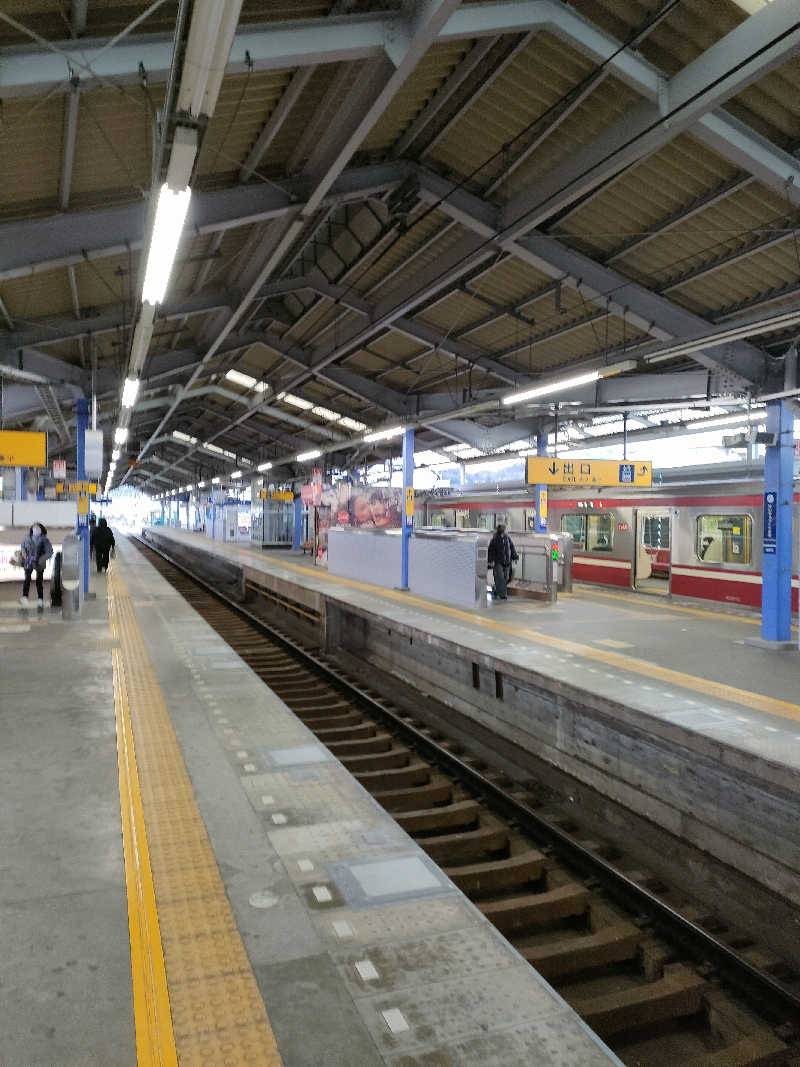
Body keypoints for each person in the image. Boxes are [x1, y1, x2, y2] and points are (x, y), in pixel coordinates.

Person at [19, 522, 53, 608]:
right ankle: (25, 597)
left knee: (39, 581)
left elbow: (49, 552)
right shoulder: (27, 538)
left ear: (41, 529)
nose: (36, 529)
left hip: (39, 562)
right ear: (32, 529)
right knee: (27, 579)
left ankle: (40, 600)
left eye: (38, 528)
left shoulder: (44, 540)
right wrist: (24, 554)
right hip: (29, 561)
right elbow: (23, 547)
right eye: (34, 528)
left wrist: (42, 559)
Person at [487, 522, 518, 601]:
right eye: (502, 529)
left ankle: (496, 590)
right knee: (500, 578)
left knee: (506, 578)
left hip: (507, 562)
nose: (504, 531)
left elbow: (512, 547)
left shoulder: (507, 538)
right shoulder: (495, 539)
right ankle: (503, 595)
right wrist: (491, 560)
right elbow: (491, 550)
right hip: (498, 562)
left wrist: (515, 557)